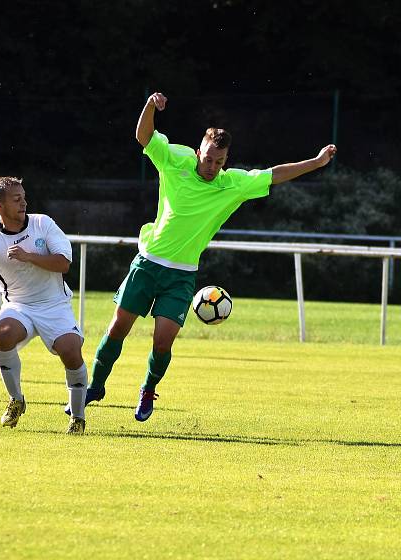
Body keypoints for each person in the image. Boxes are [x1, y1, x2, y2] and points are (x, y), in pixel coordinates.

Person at [67, 92, 337, 422]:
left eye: (219, 161)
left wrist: (317, 161)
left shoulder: (232, 184)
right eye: (208, 158)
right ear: (199, 151)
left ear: (226, 160)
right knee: (116, 330)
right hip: (148, 263)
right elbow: (144, 136)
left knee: (162, 342)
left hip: (181, 275)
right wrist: (151, 106)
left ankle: (148, 388)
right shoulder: (175, 161)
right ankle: (96, 386)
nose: (212, 166)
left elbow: (275, 173)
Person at [0, 177, 89, 434]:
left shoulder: (43, 223)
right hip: (19, 306)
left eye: (24, 197)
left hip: (55, 305)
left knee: (71, 351)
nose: (23, 203)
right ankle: (16, 399)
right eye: (16, 199)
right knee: (4, 333)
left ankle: (78, 417)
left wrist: (29, 257)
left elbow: (64, 264)